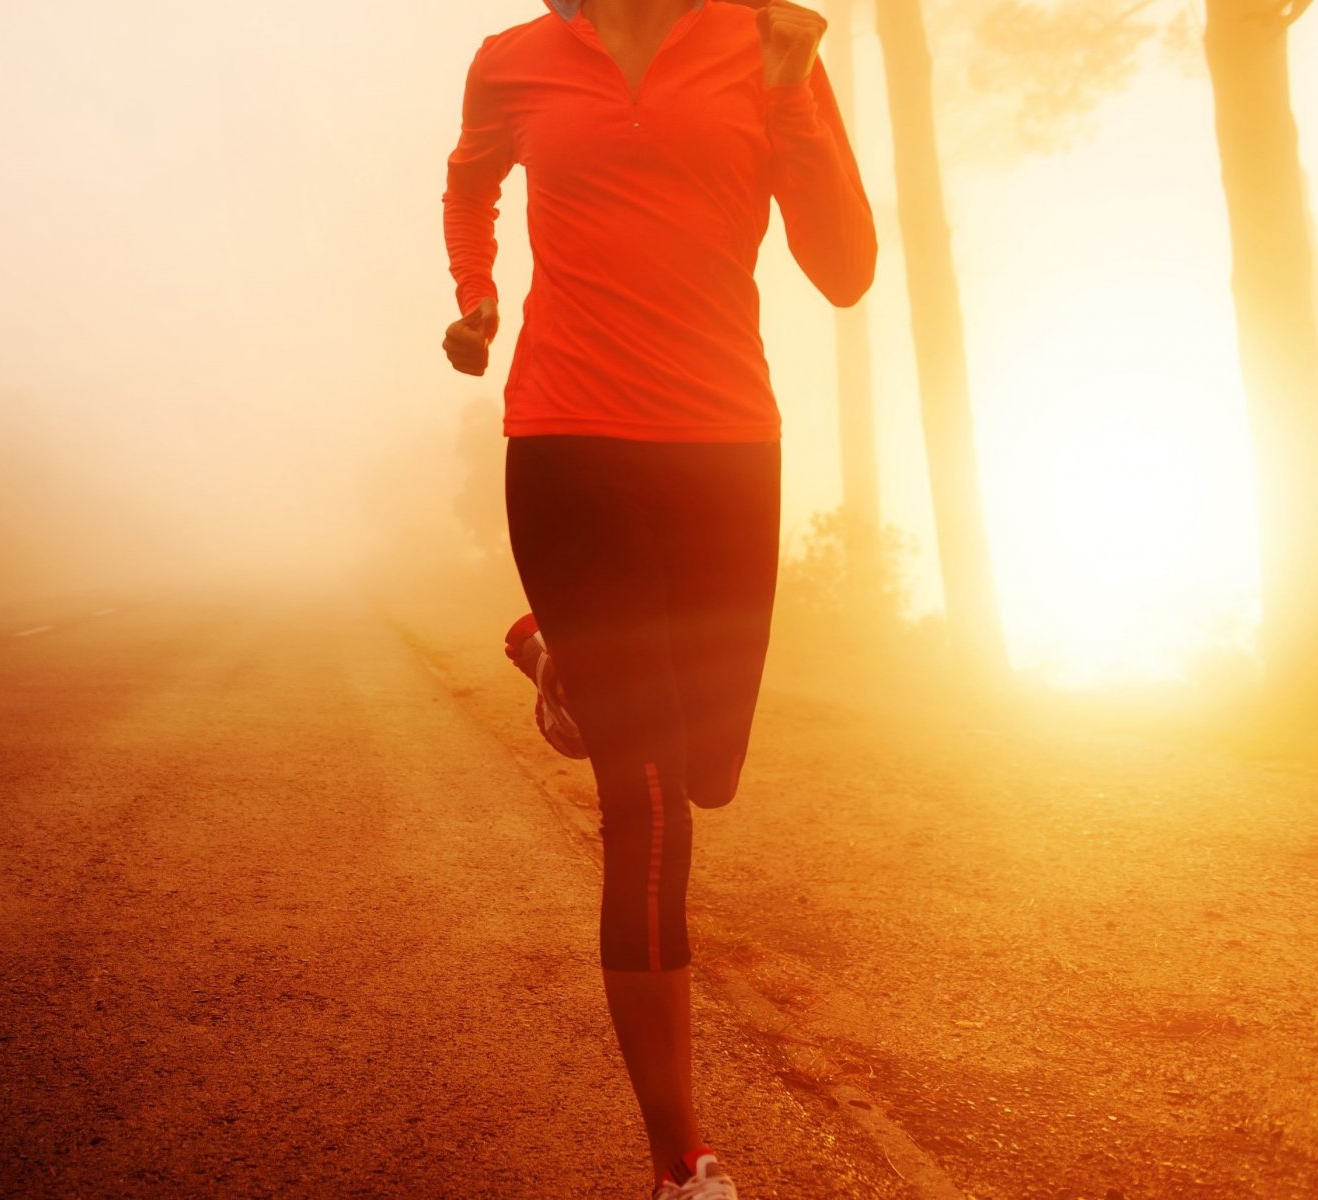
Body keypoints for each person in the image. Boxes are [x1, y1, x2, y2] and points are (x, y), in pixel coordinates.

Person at [440, 0, 876, 1195]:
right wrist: (476, 292)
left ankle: (552, 652)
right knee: (643, 805)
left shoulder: (762, 43)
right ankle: (680, 1164)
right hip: (567, 442)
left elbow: (843, 271)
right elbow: (468, 178)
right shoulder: (513, 62)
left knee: (707, 770)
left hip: (722, 449)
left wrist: (788, 94)